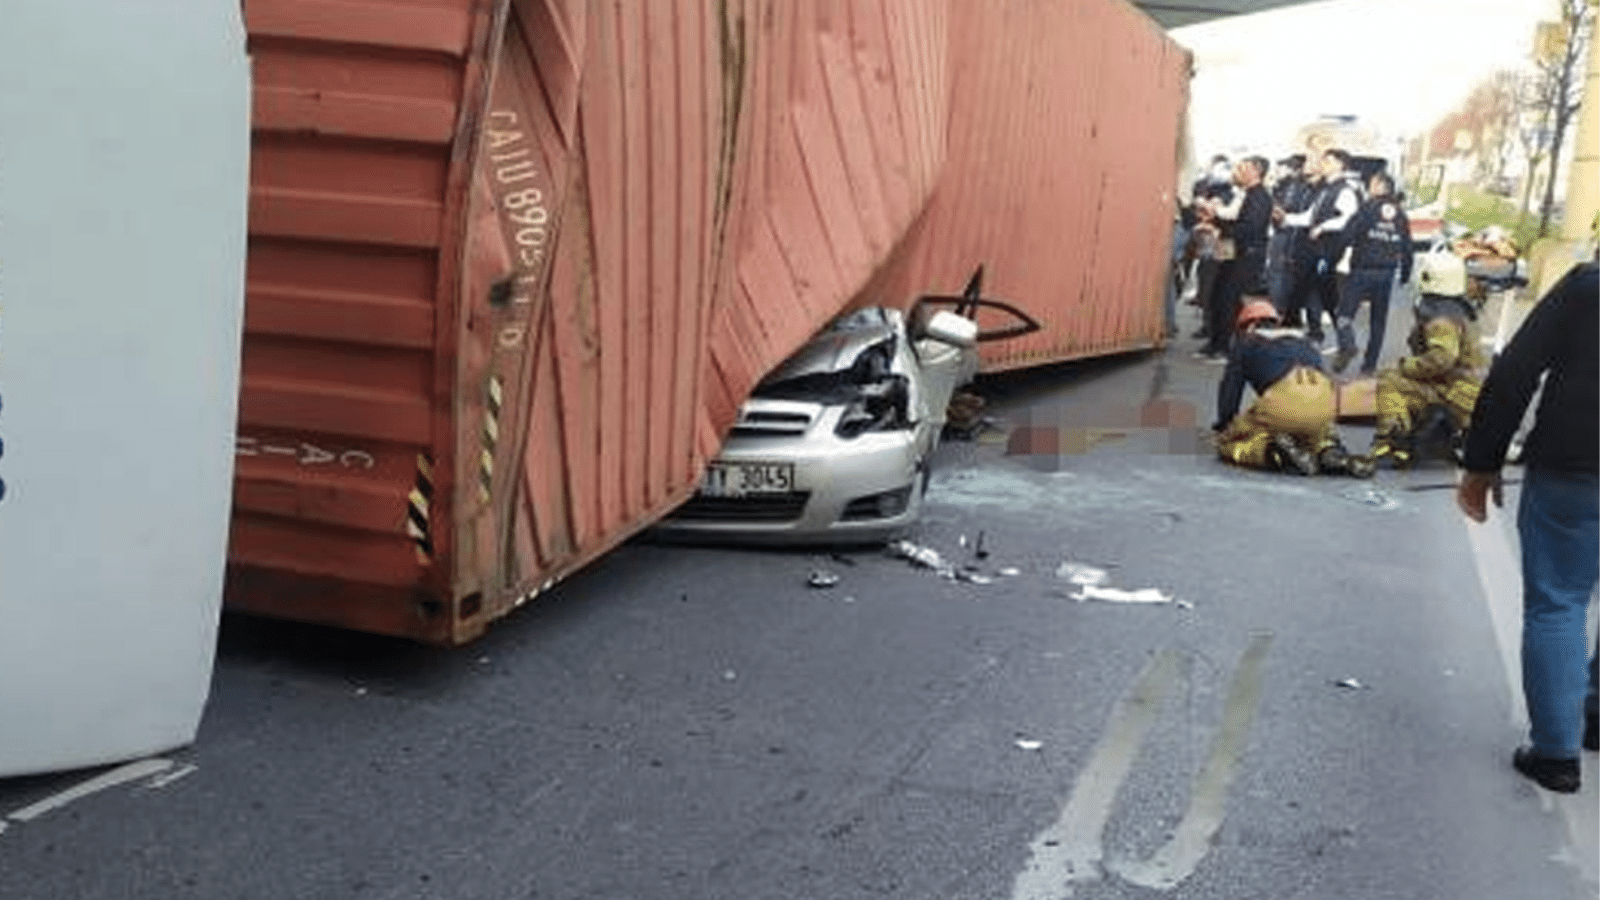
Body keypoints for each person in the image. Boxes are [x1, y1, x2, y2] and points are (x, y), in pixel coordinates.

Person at [1456, 262, 1599, 794]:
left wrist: (1482, 460)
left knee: (1559, 600)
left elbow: (1517, 368)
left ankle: (1557, 753)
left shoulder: (1588, 286)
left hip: (1576, 464)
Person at [1212, 300, 1371, 476]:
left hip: (1283, 404)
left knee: (1234, 441)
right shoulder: (1303, 339)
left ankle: (1274, 452)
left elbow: (1230, 389)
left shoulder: (1246, 342)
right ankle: (1330, 451)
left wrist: (1225, 425)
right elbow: (1327, 379)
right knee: (1315, 433)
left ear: (1248, 325)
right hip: (1322, 404)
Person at [1362, 251, 1486, 468]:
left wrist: (1405, 367)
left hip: (1454, 394)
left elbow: (1442, 359)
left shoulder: (1440, 317)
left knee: (1390, 379)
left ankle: (1392, 441)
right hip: (1468, 396)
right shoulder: (1460, 311)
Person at [1330, 171, 1413, 375]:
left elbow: (1347, 236)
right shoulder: (1401, 215)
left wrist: (1333, 259)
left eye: (1371, 184)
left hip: (1362, 270)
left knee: (1344, 314)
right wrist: (1405, 274)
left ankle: (1348, 344)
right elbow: (1407, 246)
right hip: (1386, 274)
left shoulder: (1367, 209)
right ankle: (1369, 366)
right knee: (1378, 321)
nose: (1368, 188)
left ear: (1379, 186)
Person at [1279, 148, 1363, 347]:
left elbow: (1348, 219)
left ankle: (1343, 341)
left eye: (1327, 161)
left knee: (1325, 295)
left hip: (1328, 251)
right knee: (1309, 292)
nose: (1322, 165)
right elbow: (1310, 216)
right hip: (1314, 250)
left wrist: (1323, 227)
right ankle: (1304, 335)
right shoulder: (1325, 189)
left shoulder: (1345, 190)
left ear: (1340, 164)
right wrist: (1286, 219)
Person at [1198, 156, 1273, 360]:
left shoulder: (1260, 197)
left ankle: (1225, 347)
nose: (1237, 172)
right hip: (1229, 248)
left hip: (1246, 255)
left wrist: (1219, 230)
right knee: (1216, 294)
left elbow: (1249, 229)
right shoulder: (1243, 194)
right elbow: (1229, 218)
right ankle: (1215, 342)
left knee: (1229, 300)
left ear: (1256, 171)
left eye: (1243, 168)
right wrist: (1214, 221)